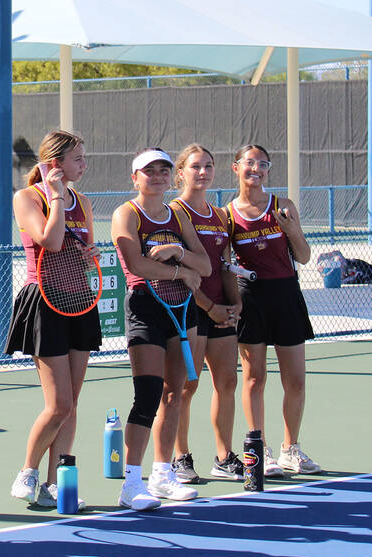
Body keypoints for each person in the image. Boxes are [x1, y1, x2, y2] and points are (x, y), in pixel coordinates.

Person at [110, 149, 211, 510]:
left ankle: (163, 474)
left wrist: (176, 252)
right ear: (134, 177)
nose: (157, 176)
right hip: (145, 308)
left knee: (176, 393)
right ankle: (131, 484)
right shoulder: (126, 213)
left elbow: (206, 266)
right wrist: (182, 272)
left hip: (182, 311)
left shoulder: (178, 215)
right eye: (148, 171)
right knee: (148, 395)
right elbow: (136, 264)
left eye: (163, 170)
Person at [6, 131, 99, 510]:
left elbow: (79, 249)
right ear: (56, 163)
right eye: (77, 158)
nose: (84, 164)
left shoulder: (85, 201)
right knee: (58, 403)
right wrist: (56, 195)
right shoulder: (28, 197)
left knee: (72, 404)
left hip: (79, 301)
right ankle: (27, 471)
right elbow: (52, 240)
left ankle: (53, 482)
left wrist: (89, 251)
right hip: (44, 302)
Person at [228, 144, 319, 476]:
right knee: (254, 378)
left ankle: (290, 448)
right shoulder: (228, 215)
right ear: (235, 168)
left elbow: (305, 256)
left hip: (286, 295)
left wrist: (291, 229)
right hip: (250, 299)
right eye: (249, 163)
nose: (256, 169)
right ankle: (258, 449)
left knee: (295, 380)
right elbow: (225, 265)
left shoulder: (284, 207)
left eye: (263, 164)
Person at [168, 144, 245, 483]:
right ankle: (179, 457)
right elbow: (175, 269)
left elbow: (225, 264)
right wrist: (209, 307)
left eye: (208, 166)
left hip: (221, 313)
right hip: (191, 311)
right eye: (196, 166)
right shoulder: (174, 212)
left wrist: (234, 303)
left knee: (227, 382)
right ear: (181, 172)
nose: (203, 172)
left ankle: (225, 457)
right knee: (187, 386)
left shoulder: (220, 216)